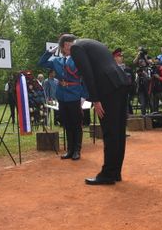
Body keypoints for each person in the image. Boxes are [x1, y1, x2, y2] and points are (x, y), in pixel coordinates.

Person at [69, 38, 130, 185]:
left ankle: (107, 174)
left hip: (107, 88)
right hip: (121, 82)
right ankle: (115, 172)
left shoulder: (75, 48)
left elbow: (87, 73)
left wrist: (95, 100)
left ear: (66, 45)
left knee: (109, 132)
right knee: (118, 131)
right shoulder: (93, 43)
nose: (68, 55)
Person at [38, 36, 86, 160]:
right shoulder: (56, 61)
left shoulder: (78, 60)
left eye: (72, 44)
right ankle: (69, 150)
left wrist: (84, 96)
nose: (70, 47)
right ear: (63, 47)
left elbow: (86, 77)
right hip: (61, 95)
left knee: (76, 124)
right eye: (68, 44)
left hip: (75, 94)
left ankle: (77, 150)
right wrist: (51, 51)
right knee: (67, 124)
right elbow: (41, 63)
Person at [113, 48, 134, 115]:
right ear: (114, 58)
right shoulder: (112, 68)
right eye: (119, 56)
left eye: (121, 56)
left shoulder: (127, 69)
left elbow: (132, 80)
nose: (121, 57)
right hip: (116, 92)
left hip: (126, 92)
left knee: (127, 109)